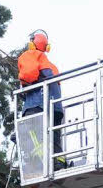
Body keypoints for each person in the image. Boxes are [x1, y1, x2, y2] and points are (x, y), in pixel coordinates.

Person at [17, 29, 67, 170]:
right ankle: (59, 163)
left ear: (33, 43)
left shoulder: (32, 55)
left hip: (37, 103)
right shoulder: (53, 66)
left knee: (31, 130)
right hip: (56, 107)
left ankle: (40, 162)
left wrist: (23, 87)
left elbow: (28, 75)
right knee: (54, 136)